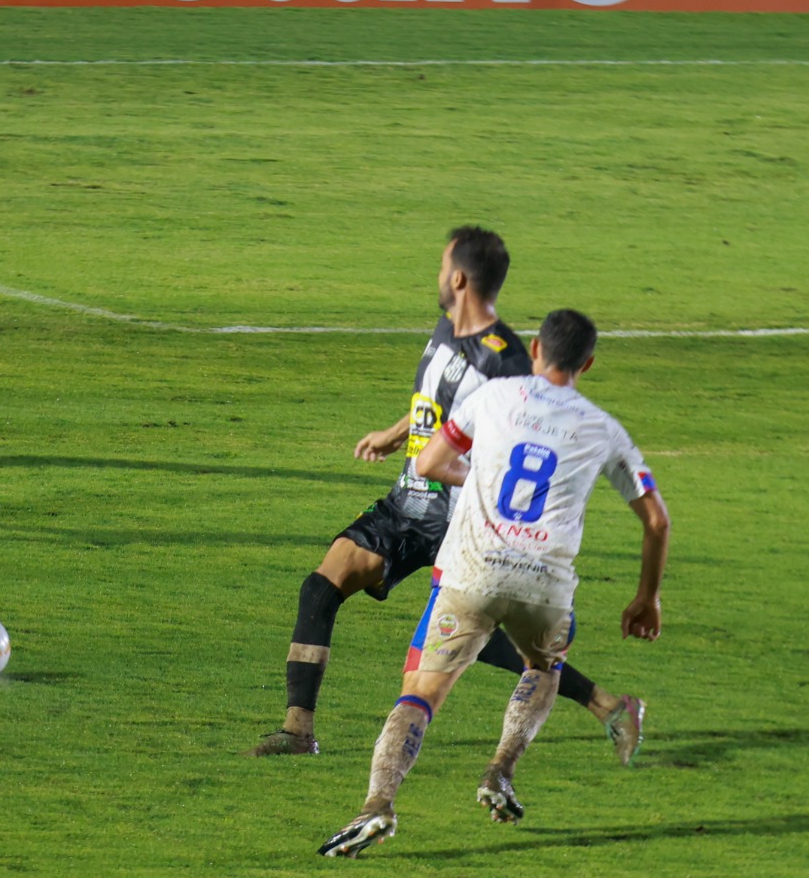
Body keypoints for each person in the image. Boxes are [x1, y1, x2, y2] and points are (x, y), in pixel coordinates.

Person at [247, 227, 642, 761]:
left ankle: (607, 705)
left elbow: (509, 445)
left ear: (458, 277)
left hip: (461, 522)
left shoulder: (505, 362)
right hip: (409, 497)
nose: (436, 275)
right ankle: (298, 732)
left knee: (471, 640)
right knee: (322, 584)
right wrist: (397, 433)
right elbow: (440, 401)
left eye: (440, 267)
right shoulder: (446, 328)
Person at [319, 308, 670, 858]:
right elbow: (657, 520)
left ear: (535, 349)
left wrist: (480, 473)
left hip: (471, 570)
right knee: (544, 666)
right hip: (545, 583)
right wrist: (646, 597)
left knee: (421, 693)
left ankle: (376, 806)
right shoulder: (604, 428)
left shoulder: (494, 397)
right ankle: (501, 769)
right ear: (589, 363)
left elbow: (432, 462)